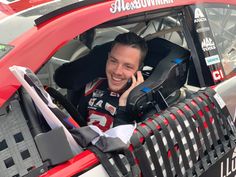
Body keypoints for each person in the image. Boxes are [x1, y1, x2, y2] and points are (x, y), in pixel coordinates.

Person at [55, 32, 148, 131]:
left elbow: (122, 144)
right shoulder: (93, 84)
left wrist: (124, 105)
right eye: (113, 61)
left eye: (128, 66)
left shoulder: (143, 104)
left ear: (139, 68)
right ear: (107, 58)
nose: (117, 71)